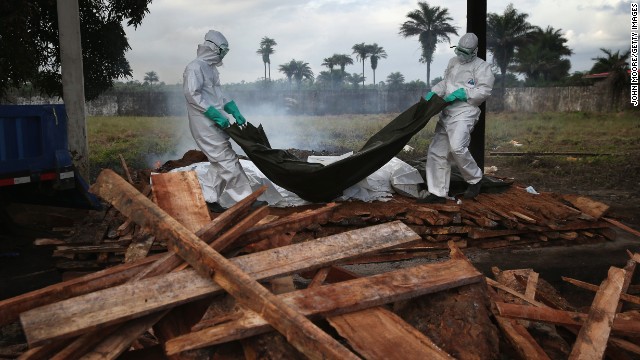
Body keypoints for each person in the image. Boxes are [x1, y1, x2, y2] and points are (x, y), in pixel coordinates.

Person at [420, 33, 495, 204]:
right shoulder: (453, 62)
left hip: (465, 112)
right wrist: (435, 92)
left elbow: (484, 91)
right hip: (446, 111)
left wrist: (464, 93)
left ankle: (475, 179)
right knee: (437, 151)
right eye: (459, 51)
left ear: (474, 52)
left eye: (465, 52)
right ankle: (437, 192)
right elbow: (446, 83)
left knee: (457, 147)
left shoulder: (482, 67)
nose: (461, 55)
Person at [183, 30, 253, 212]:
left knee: (218, 162)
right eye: (223, 50)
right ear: (213, 48)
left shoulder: (211, 69)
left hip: (217, 121)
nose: (224, 54)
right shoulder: (194, 67)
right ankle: (245, 201)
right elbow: (192, 94)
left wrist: (232, 109)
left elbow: (219, 94)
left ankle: (209, 198)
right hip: (204, 122)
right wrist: (214, 114)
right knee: (227, 159)